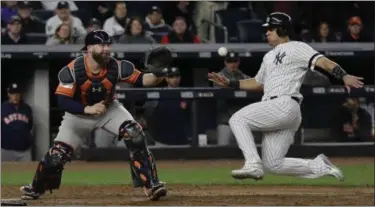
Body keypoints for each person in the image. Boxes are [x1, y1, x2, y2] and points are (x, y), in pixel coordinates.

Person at [208, 12, 363, 181]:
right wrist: (230, 83)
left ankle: (253, 164)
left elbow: (324, 63)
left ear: (282, 30)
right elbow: (259, 83)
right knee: (274, 164)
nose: (267, 32)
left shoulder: (297, 47)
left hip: (284, 103)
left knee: (237, 119)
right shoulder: (268, 56)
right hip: (282, 110)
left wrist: (344, 75)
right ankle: (318, 165)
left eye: (271, 29)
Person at [20, 30, 171, 201]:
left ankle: (151, 184)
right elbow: (62, 101)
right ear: (89, 48)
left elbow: (144, 80)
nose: (107, 49)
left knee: (134, 133)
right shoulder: (72, 70)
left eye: (108, 44)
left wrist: (159, 73)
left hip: (109, 109)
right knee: (57, 156)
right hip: (78, 115)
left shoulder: (118, 66)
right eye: (102, 45)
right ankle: (36, 188)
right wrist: (88, 109)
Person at [215, 51, 250, 146]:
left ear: (238, 62)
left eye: (235, 61)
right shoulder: (218, 76)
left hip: (241, 121)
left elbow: (253, 85)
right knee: (223, 151)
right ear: (225, 62)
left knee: (245, 151)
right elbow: (223, 87)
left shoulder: (243, 76)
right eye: (230, 61)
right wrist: (241, 86)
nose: (232, 64)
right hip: (225, 121)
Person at [1, 83, 33, 161]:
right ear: (9, 94)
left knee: (27, 172)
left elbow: (29, 126)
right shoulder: (2, 108)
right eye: (13, 94)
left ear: (20, 94)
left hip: (24, 151)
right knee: (6, 172)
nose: (15, 96)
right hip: (6, 150)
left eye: (17, 94)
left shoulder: (27, 108)